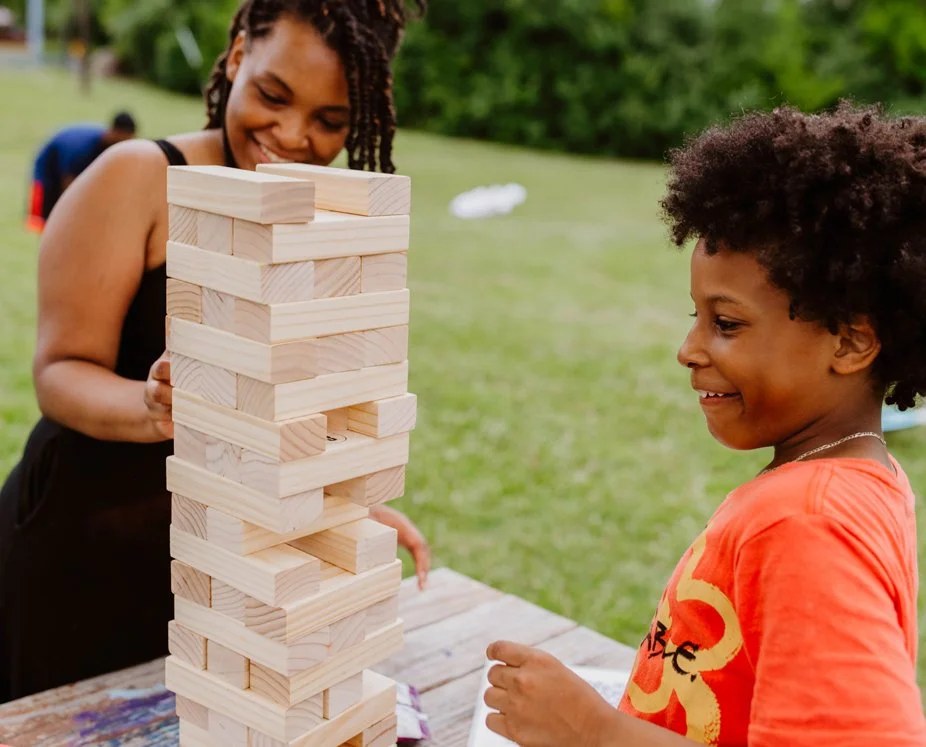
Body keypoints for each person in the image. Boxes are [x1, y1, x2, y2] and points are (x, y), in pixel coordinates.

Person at [0, 0, 429, 704]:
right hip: (80, 556)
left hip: (218, 578)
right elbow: (59, 371)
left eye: (330, 122)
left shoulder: (319, 216)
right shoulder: (135, 178)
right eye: (272, 95)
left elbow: (277, 413)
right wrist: (153, 401)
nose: (292, 136)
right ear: (236, 55)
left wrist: (338, 505)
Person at [482, 102, 926, 745]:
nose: (688, 348)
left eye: (727, 323)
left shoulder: (811, 523)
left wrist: (592, 731)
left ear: (851, 344)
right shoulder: (843, 479)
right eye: (696, 316)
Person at [24, 111, 138, 233]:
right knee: (43, 222)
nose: (125, 144)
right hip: (49, 171)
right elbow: (68, 184)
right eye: (124, 139)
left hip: (70, 173)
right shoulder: (82, 146)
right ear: (115, 131)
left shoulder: (110, 148)